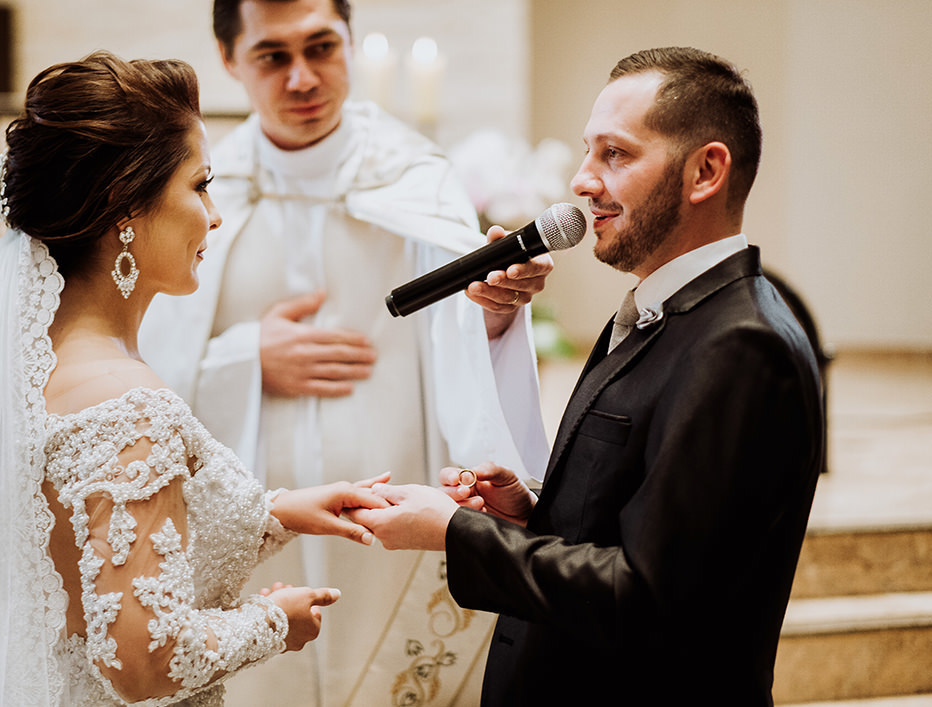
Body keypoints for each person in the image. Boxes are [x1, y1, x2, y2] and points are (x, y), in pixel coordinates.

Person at [0, 51, 393, 706]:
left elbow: (89, 564)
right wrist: (277, 621)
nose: (214, 216)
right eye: (200, 185)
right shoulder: (125, 402)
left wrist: (274, 512)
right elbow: (144, 659)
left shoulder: (41, 367)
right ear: (126, 205)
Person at [352, 46, 826, 706]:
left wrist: (453, 531)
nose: (580, 181)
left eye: (616, 154)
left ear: (705, 171)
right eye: (586, 151)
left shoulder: (742, 345)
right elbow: (646, 523)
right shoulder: (662, 311)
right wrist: (535, 509)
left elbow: (651, 598)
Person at [138, 0, 553, 704]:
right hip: (252, 526)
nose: (303, 77)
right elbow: (138, 370)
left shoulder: (417, 179)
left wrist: (494, 313)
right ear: (229, 58)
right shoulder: (199, 189)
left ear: (351, 43)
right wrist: (247, 358)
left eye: (322, 47)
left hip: (393, 520)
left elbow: (461, 351)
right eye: (273, 55)